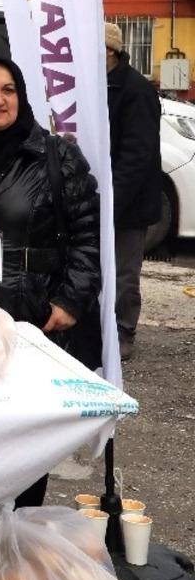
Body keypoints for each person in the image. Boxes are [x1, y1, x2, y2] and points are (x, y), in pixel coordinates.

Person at [0, 55, 101, 505]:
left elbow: (87, 237)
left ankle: (19, 541)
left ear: (21, 96)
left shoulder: (55, 155)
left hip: (33, 321)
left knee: (25, 442)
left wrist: (69, 302)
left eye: (8, 90)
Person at [105, 22, 161, 361]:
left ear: (111, 52)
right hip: (102, 196)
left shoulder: (136, 90)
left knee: (125, 272)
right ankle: (101, 327)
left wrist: (114, 199)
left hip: (129, 201)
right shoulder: (100, 85)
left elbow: (137, 155)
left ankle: (124, 330)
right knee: (99, 268)